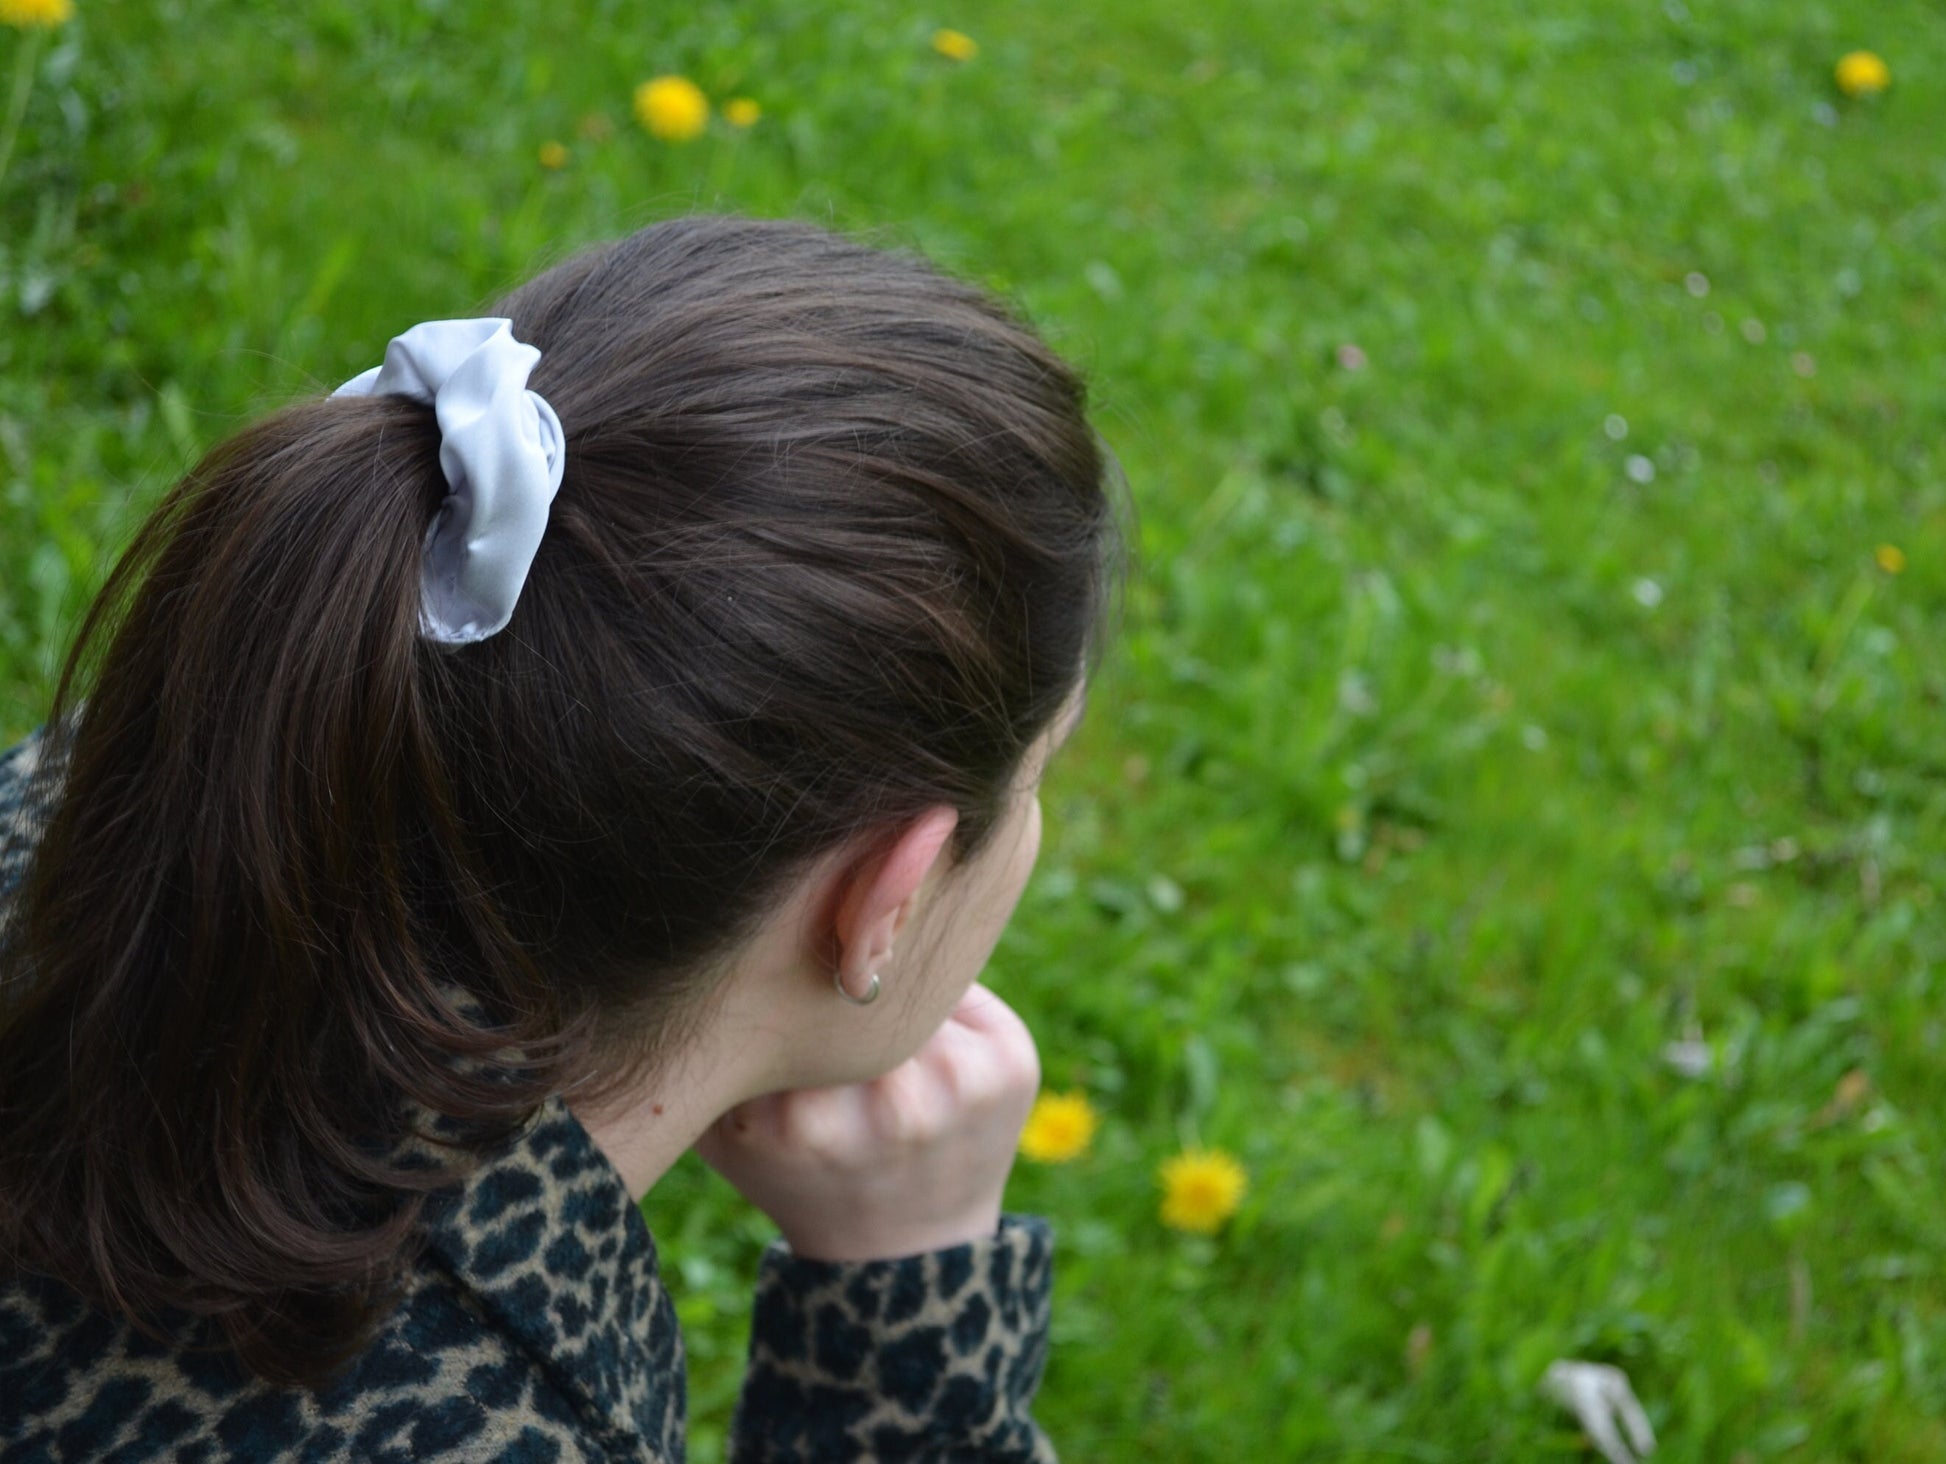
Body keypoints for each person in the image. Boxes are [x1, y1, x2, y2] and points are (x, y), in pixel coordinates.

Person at [0, 214, 1126, 1461]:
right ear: (884, 900)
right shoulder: (492, 1425)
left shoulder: (78, 802)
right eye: (1037, 777)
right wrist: (908, 1337)